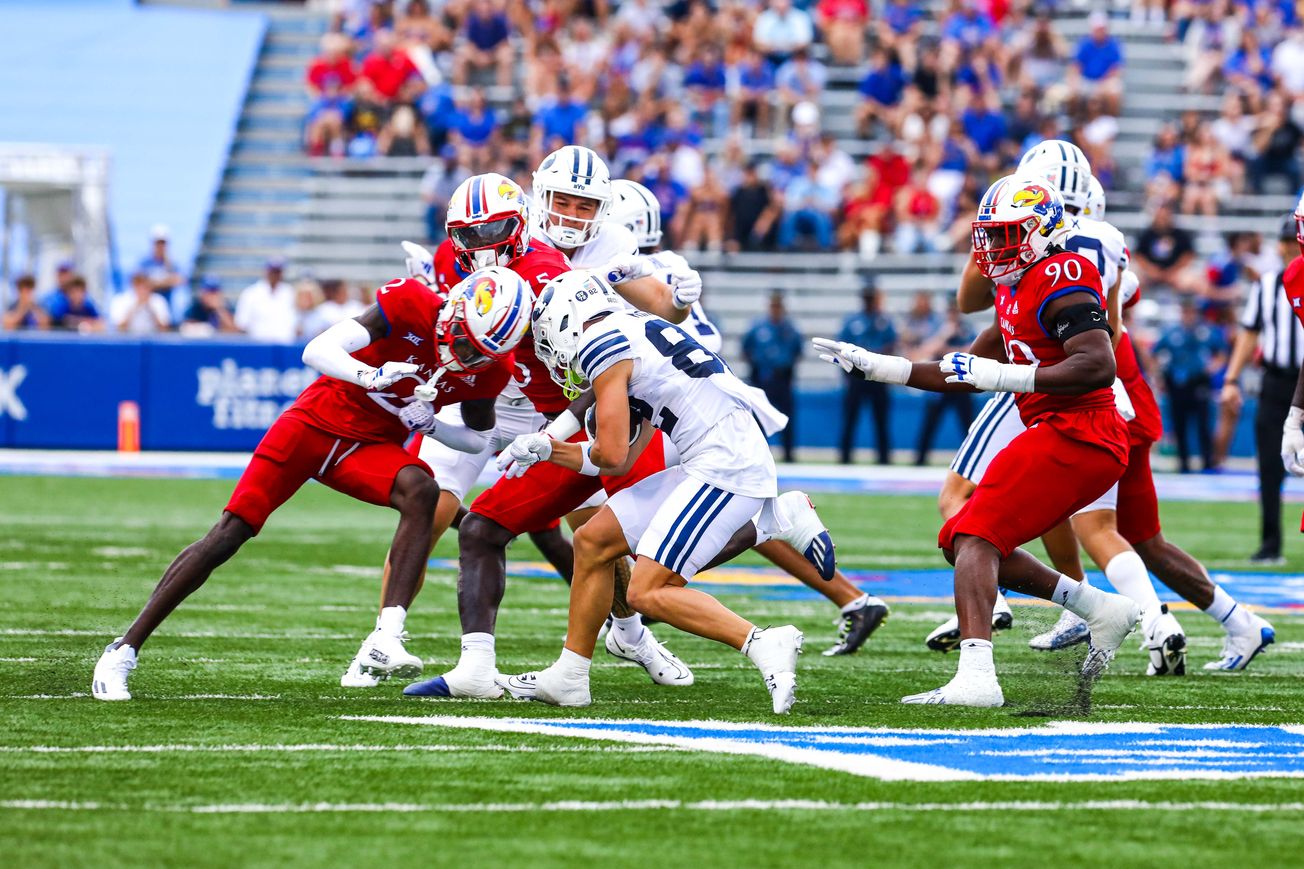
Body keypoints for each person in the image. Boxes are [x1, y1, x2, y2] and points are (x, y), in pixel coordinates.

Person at [90, 265, 534, 701]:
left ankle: (386, 635)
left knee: (423, 490)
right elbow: (316, 350)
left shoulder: (489, 369)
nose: (465, 357)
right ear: (454, 308)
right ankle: (122, 650)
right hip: (312, 425)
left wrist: (433, 427)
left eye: (479, 353)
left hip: (368, 446)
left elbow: (476, 440)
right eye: (464, 341)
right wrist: (371, 375)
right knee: (231, 531)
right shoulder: (410, 302)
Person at [815, 175, 1143, 706]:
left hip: (1085, 432)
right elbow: (963, 368)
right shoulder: (1015, 286)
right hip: (1057, 430)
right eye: (989, 234)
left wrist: (1005, 378)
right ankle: (1097, 608)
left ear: (1040, 232)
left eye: (1006, 234)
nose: (991, 248)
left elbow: (1098, 364)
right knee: (961, 537)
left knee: (975, 536)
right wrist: (881, 367)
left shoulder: (1065, 271)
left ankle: (977, 680)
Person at [399, 153, 699, 700]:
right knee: (493, 528)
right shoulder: (495, 265)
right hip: (561, 411)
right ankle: (478, 667)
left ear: (517, 228)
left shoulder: (552, 278)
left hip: (611, 413)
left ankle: (740, 624)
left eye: (490, 232)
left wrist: (551, 432)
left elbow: (607, 368)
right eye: (468, 234)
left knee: (640, 554)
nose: (477, 245)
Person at [496, 270, 834, 713]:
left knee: (646, 591)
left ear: (565, 320)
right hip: (712, 454)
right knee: (594, 541)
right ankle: (570, 676)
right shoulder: (632, 329)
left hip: (724, 464)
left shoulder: (602, 344)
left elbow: (611, 455)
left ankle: (763, 642)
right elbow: (625, 457)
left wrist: (549, 446)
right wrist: (547, 450)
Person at [610, 179, 889, 656]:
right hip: (695, 403)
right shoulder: (664, 264)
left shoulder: (633, 271)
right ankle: (850, 596)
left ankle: (629, 621)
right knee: (714, 517)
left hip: (674, 414)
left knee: (641, 544)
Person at [1223, 215, 1304, 564]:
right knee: (1269, 466)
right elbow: (1249, 333)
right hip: (1276, 381)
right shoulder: (1269, 283)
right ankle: (1271, 544)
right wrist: (1231, 378)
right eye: (1286, 242)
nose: (1289, 248)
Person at [1153, 300, 1227, 473]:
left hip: (1199, 381)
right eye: (1186, 311)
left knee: (1203, 423)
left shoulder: (1207, 331)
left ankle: (1207, 462)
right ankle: (1183, 462)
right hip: (1177, 383)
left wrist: (1213, 367)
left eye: (1192, 311)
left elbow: (1222, 352)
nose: (1189, 315)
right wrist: (1158, 374)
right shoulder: (1172, 333)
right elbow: (1154, 353)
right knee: (1180, 423)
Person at [837, 285, 896, 465]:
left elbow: (892, 345)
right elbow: (841, 348)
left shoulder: (884, 321)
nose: (869, 302)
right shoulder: (853, 321)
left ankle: (884, 458)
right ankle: (845, 457)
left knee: (881, 421)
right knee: (850, 419)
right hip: (857, 377)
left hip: (879, 376)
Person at [742, 292, 803, 462]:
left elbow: (798, 351)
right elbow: (746, 349)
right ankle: (759, 455)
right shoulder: (758, 327)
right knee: (759, 420)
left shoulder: (790, 328)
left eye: (779, 306)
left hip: (783, 379)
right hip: (763, 379)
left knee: (786, 419)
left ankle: (788, 454)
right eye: (773, 305)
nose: (776, 309)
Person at [914, 303, 976, 466]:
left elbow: (971, 352)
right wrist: (945, 335)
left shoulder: (967, 328)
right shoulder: (938, 326)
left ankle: (973, 460)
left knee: (969, 425)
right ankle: (920, 460)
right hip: (940, 384)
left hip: (961, 384)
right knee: (929, 425)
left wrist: (946, 349)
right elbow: (926, 350)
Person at [235, 258, 298, 343]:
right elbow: (242, 323)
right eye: (273, 271)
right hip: (259, 344)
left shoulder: (290, 292)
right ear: (266, 271)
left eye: (278, 272)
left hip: (285, 344)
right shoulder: (251, 293)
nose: (275, 275)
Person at [138, 224, 185, 319]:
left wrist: (154, 283)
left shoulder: (172, 263)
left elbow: (180, 280)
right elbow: (140, 283)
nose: (160, 246)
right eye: (158, 243)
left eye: (163, 243)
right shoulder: (145, 263)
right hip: (149, 313)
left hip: (169, 311)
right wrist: (167, 282)